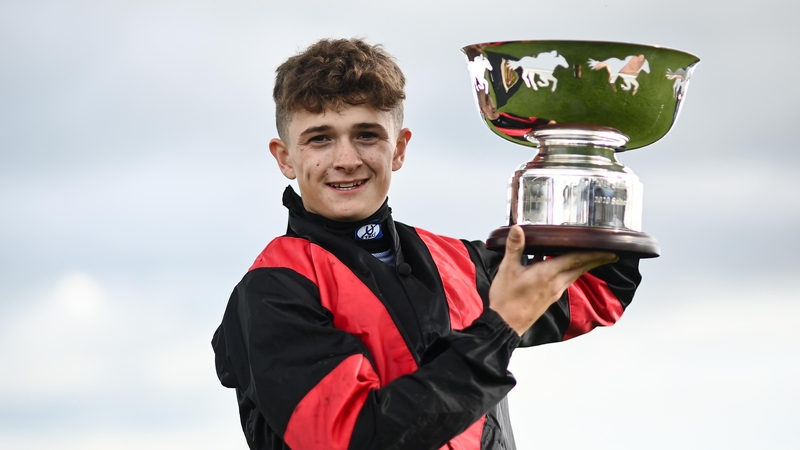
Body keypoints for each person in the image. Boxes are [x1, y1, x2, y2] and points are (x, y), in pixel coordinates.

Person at [212, 38, 641, 450]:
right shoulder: (273, 291)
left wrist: (587, 161)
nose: (346, 159)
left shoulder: (458, 261)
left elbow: (596, 291)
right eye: (320, 138)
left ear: (398, 149)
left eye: (366, 135)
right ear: (285, 157)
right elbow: (357, 439)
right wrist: (498, 329)